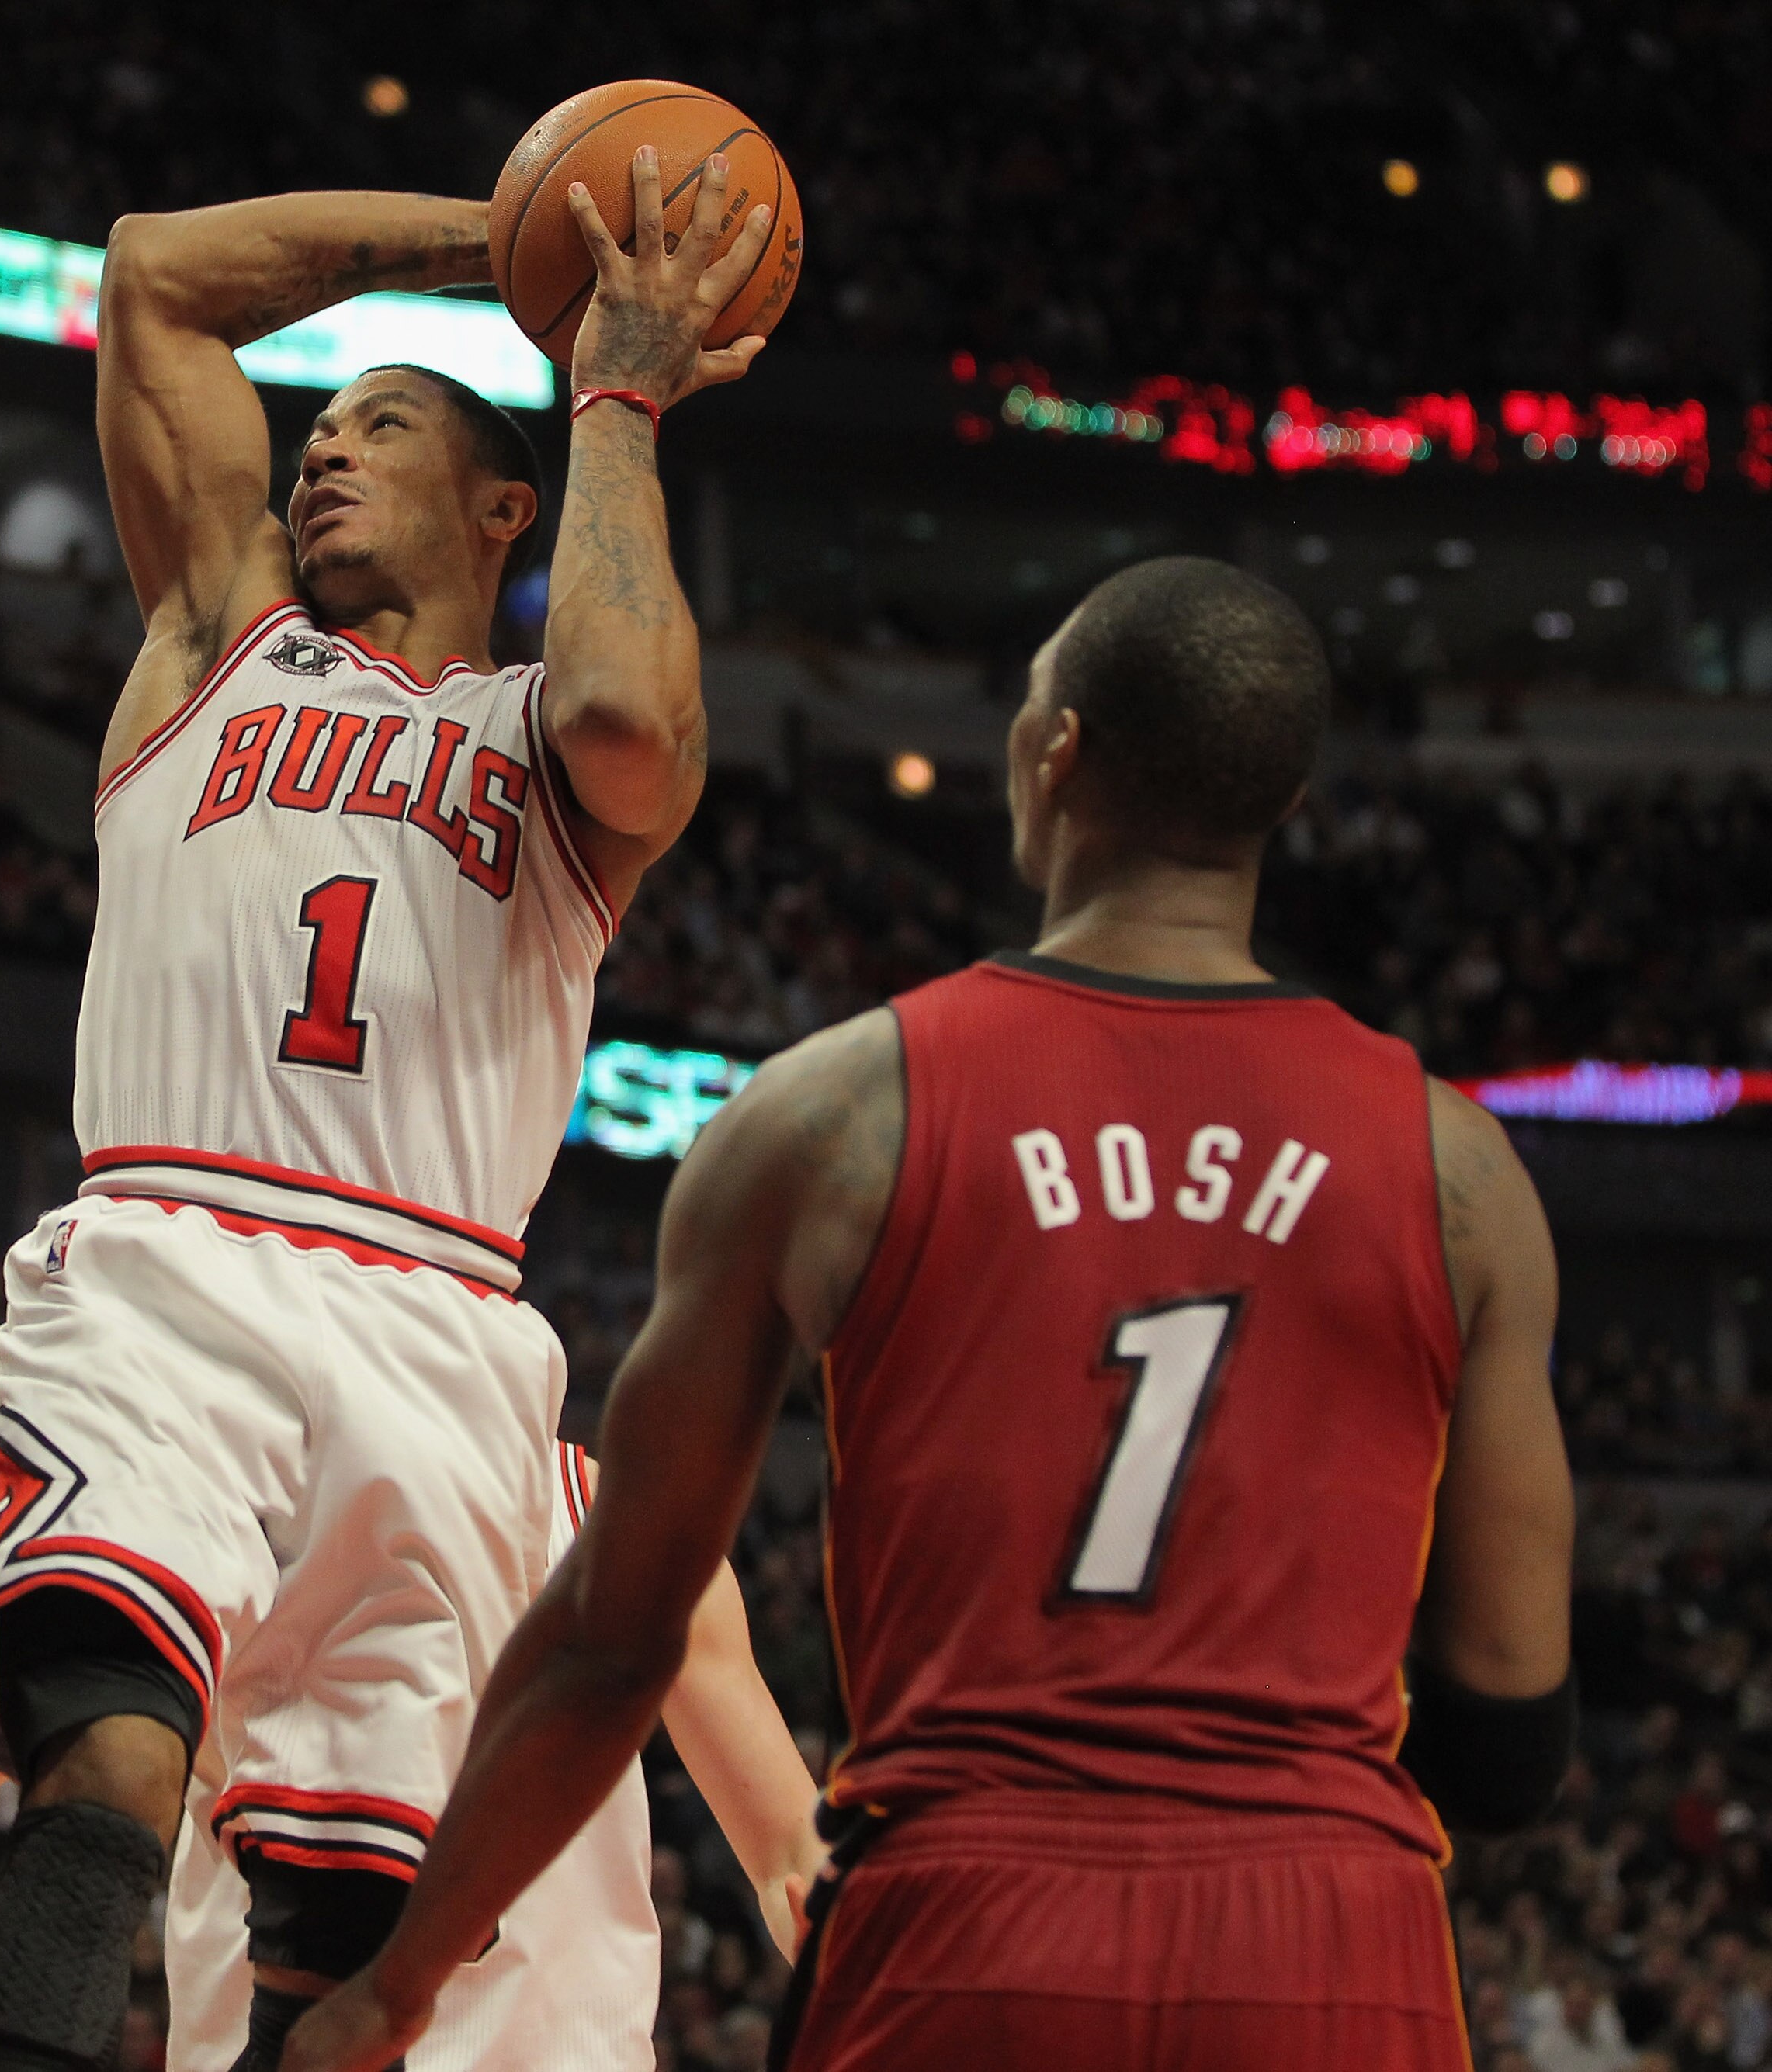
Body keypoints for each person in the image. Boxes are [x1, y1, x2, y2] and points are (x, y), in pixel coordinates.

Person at [285, 556, 1580, 2072]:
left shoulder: (824, 1117)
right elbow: (1505, 1740)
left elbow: (610, 1644)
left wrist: (398, 1985)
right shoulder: (1456, 1169)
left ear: (1053, 756)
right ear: (1276, 803)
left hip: (965, 1917)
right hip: (1326, 1938)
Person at [0, 145, 788, 2072]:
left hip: (442, 1330)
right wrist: (509, 248)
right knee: (100, 1773)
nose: (320, 453)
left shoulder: (548, 747)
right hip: (164, 1265)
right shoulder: (208, 639)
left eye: (376, 427)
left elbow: (638, 723)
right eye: (313, 428)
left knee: (346, 1970)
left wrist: (615, 389)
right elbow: (152, 269)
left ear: (503, 505)